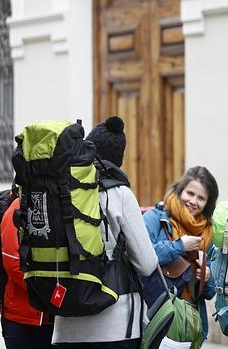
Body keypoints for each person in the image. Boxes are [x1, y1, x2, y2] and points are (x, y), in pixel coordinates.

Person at [52, 116, 158, 348]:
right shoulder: (119, 194)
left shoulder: (60, 191)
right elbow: (147, 264)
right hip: (116, 327)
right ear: (118, 159)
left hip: (66, 326)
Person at [143, 166, 219, 338]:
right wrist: (179, 246)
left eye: (201, 198)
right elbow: (143, 258)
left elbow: (211, 292)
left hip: (189, 324)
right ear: (180, 190)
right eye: (190, 193)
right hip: (155, 317)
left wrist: (207, 278)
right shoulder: (154, 218)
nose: (194, 201)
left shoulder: (208, 233)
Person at [0, 195, 55, 349]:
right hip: (22, 318)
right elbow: (12, 262)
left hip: (59, 319)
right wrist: (48, 294)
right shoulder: (17, 207)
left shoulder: (62, 201)